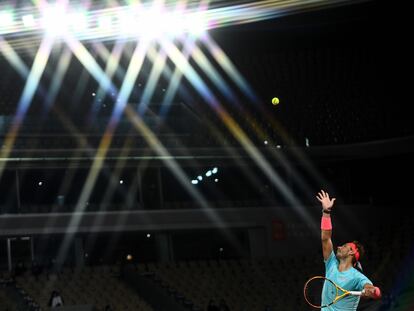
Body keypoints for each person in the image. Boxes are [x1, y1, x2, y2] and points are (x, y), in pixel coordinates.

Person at [317, 190, 381, 310]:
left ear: (352, 252)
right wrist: (326, 212)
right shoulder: (331, 264)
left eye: (345, 246)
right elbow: (325, 239)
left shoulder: (356, 277)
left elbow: (370, 288)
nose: (339, 247)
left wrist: (370, 290)